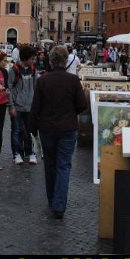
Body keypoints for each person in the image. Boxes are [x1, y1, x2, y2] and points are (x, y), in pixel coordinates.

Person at [28, 46, 88, 219]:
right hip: (68, 128)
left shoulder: (43, 80)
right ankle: (59, 206)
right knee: (63, 166)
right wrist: (70, 113)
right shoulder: (73, 80)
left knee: (50, 165)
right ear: (65, 60)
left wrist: (32, 128)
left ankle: (52, 199)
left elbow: (36, 106)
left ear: (51, 61)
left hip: (47, 128)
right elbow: (82, 104)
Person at [8, 45, 38, 165]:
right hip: (17, 106)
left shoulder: (33, 69)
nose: (33, 60)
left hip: (29, 106)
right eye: (32, 58)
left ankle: (30, 153)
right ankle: (17, 153)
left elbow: (36, 87)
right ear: (25, 58)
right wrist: (11, 105)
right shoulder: (14, 70)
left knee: (29, 131)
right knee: (16, 130)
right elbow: (8, 88)